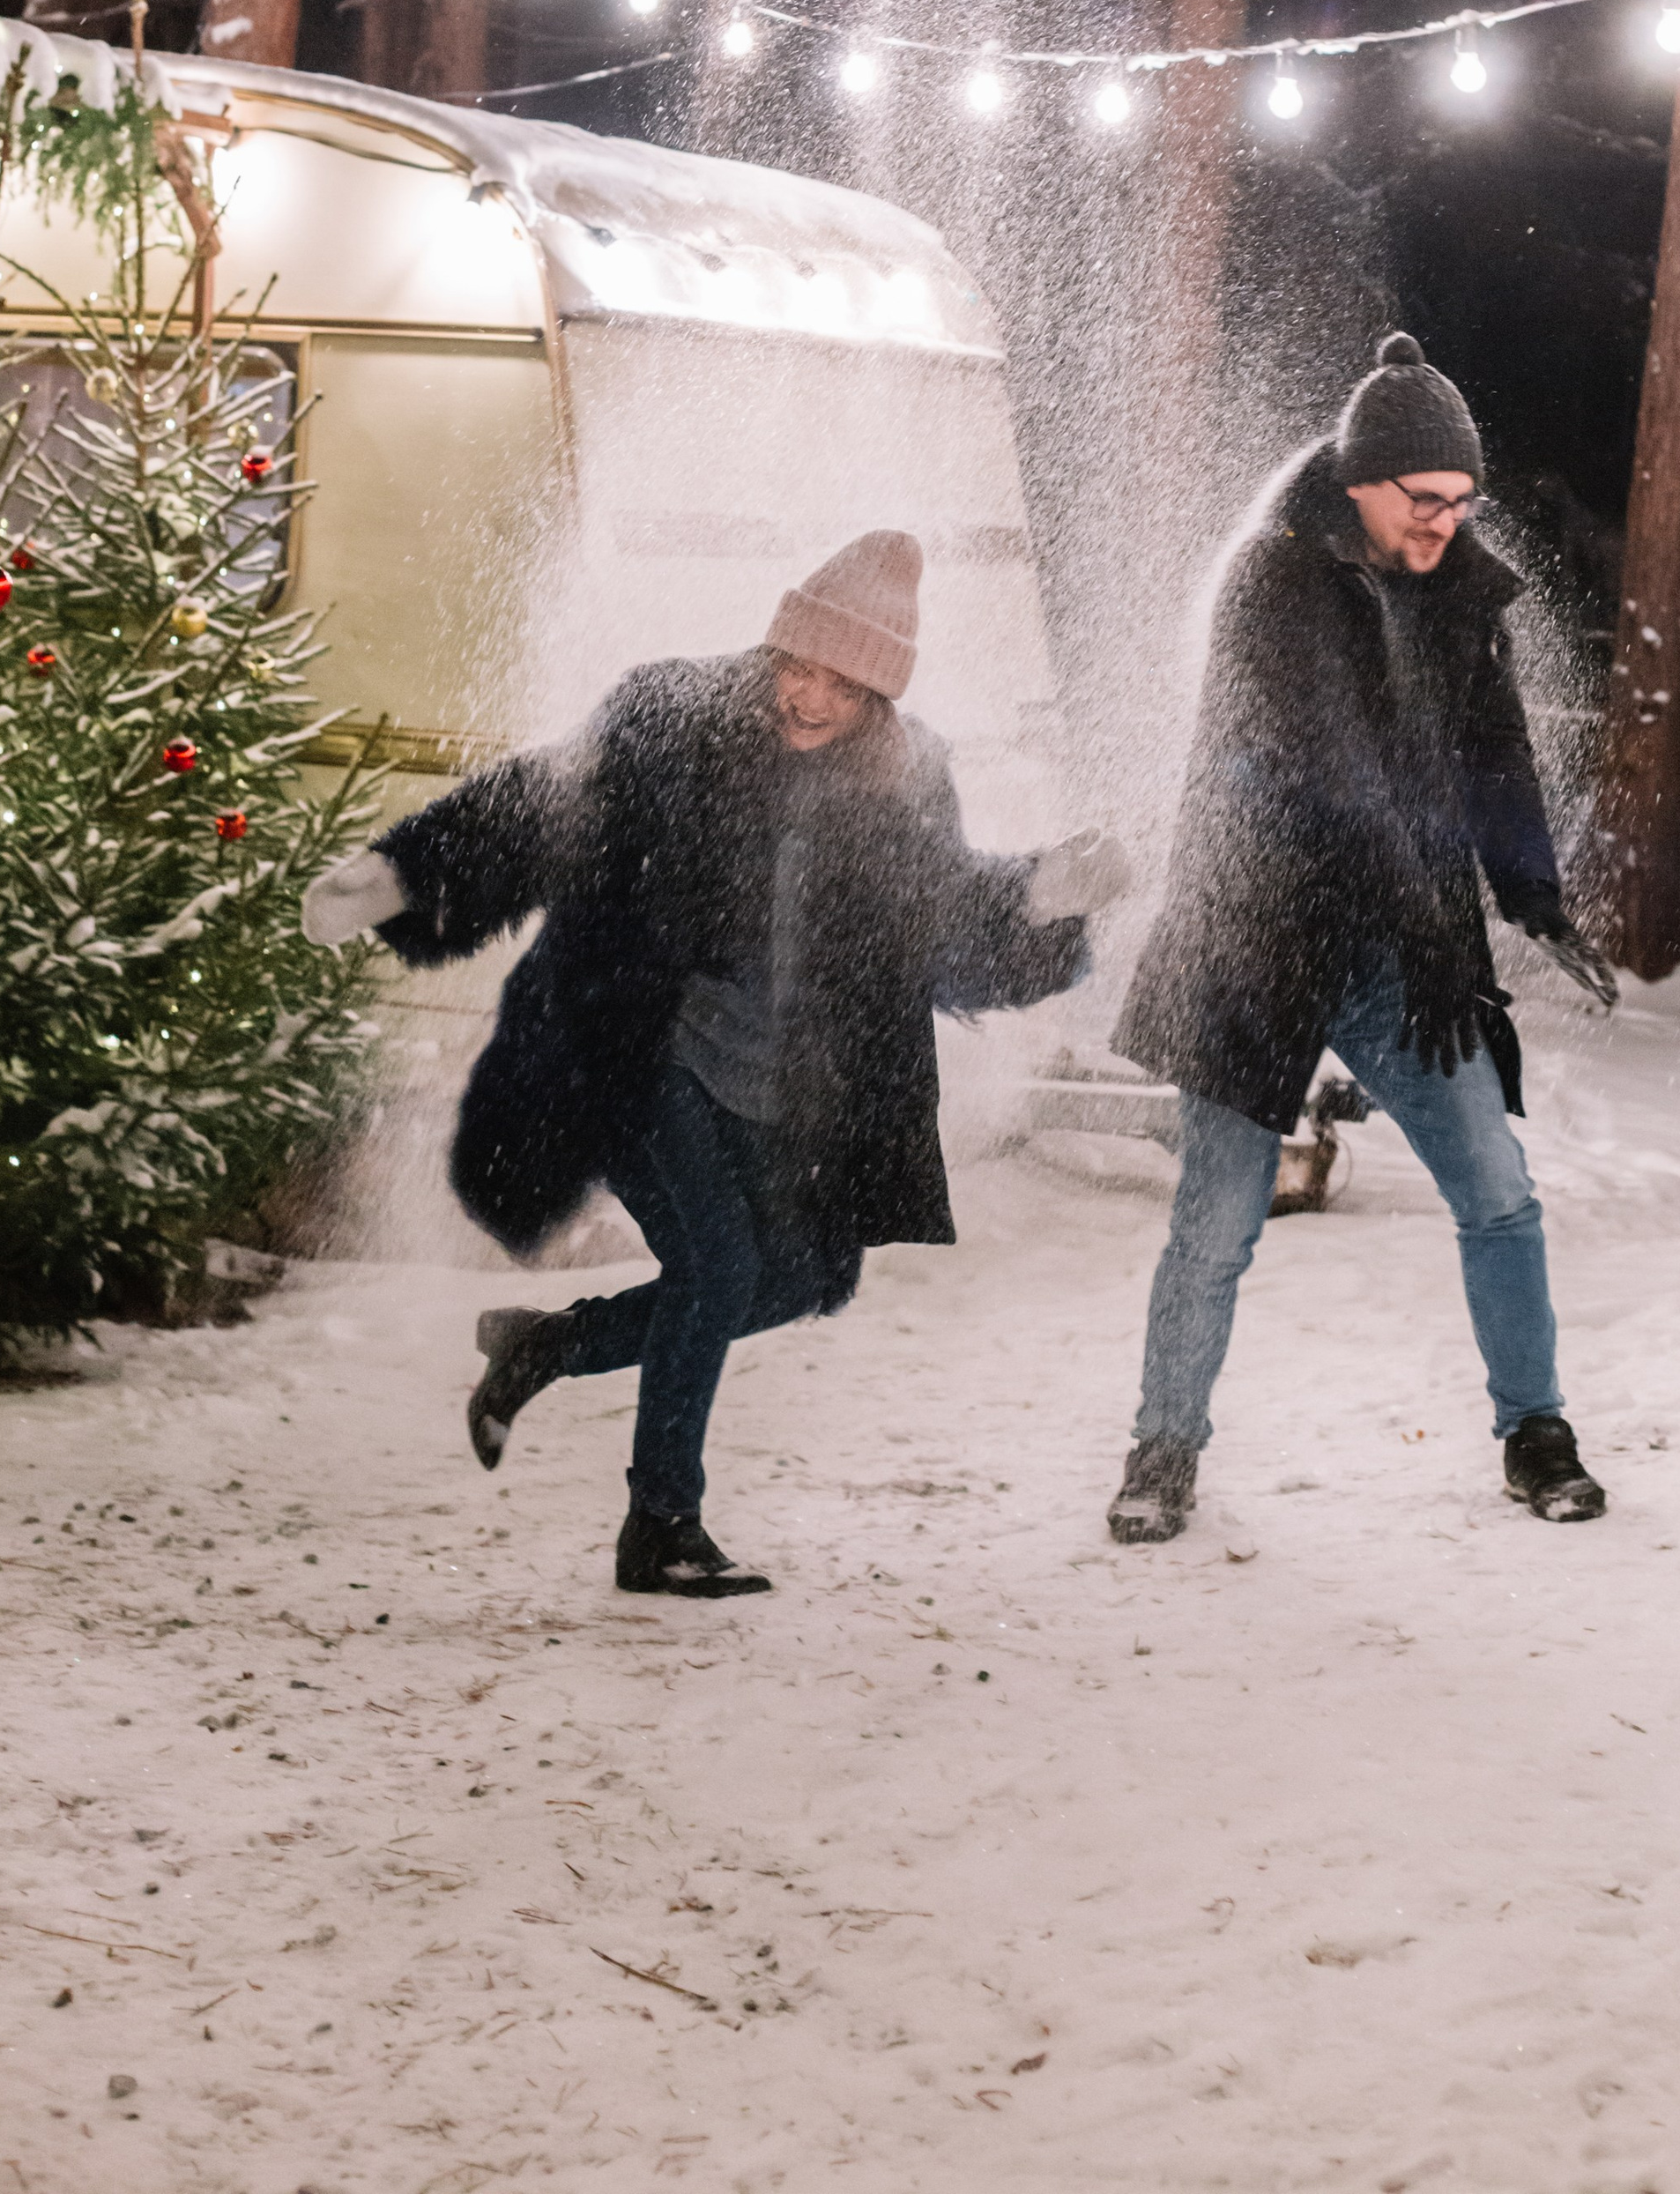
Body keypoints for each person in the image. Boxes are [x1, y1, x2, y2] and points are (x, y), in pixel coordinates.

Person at [304, 532, 1125, 1598]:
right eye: (796, 666)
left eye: (842, 682)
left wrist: (1042, 894)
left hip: (777, 1082)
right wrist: (401, 876)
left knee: (798, 1278)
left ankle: (545, 1349)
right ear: (769, 648)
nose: (809, 697)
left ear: (879, 696)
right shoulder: (668, 718)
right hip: (636, 1047)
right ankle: (662, 1527)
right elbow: (535, 801)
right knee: (719, 1266)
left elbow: (940, 921)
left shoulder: (909, 775)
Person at [1105, 335, 1617, 1545]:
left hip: (1398, 960)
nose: (1448, 523)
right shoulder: (1273, 587)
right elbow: (1338, 779)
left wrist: (1532, 894)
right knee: (1217, 1225)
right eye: (1426, 500)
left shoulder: (1456, 590)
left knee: (1499, 1193)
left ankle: (1535, 1431)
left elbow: (1491, 751)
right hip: (1256, 945)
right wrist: (1438, 923)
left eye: (1462, 500)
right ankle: (1163, 1447)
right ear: (1360, 485)